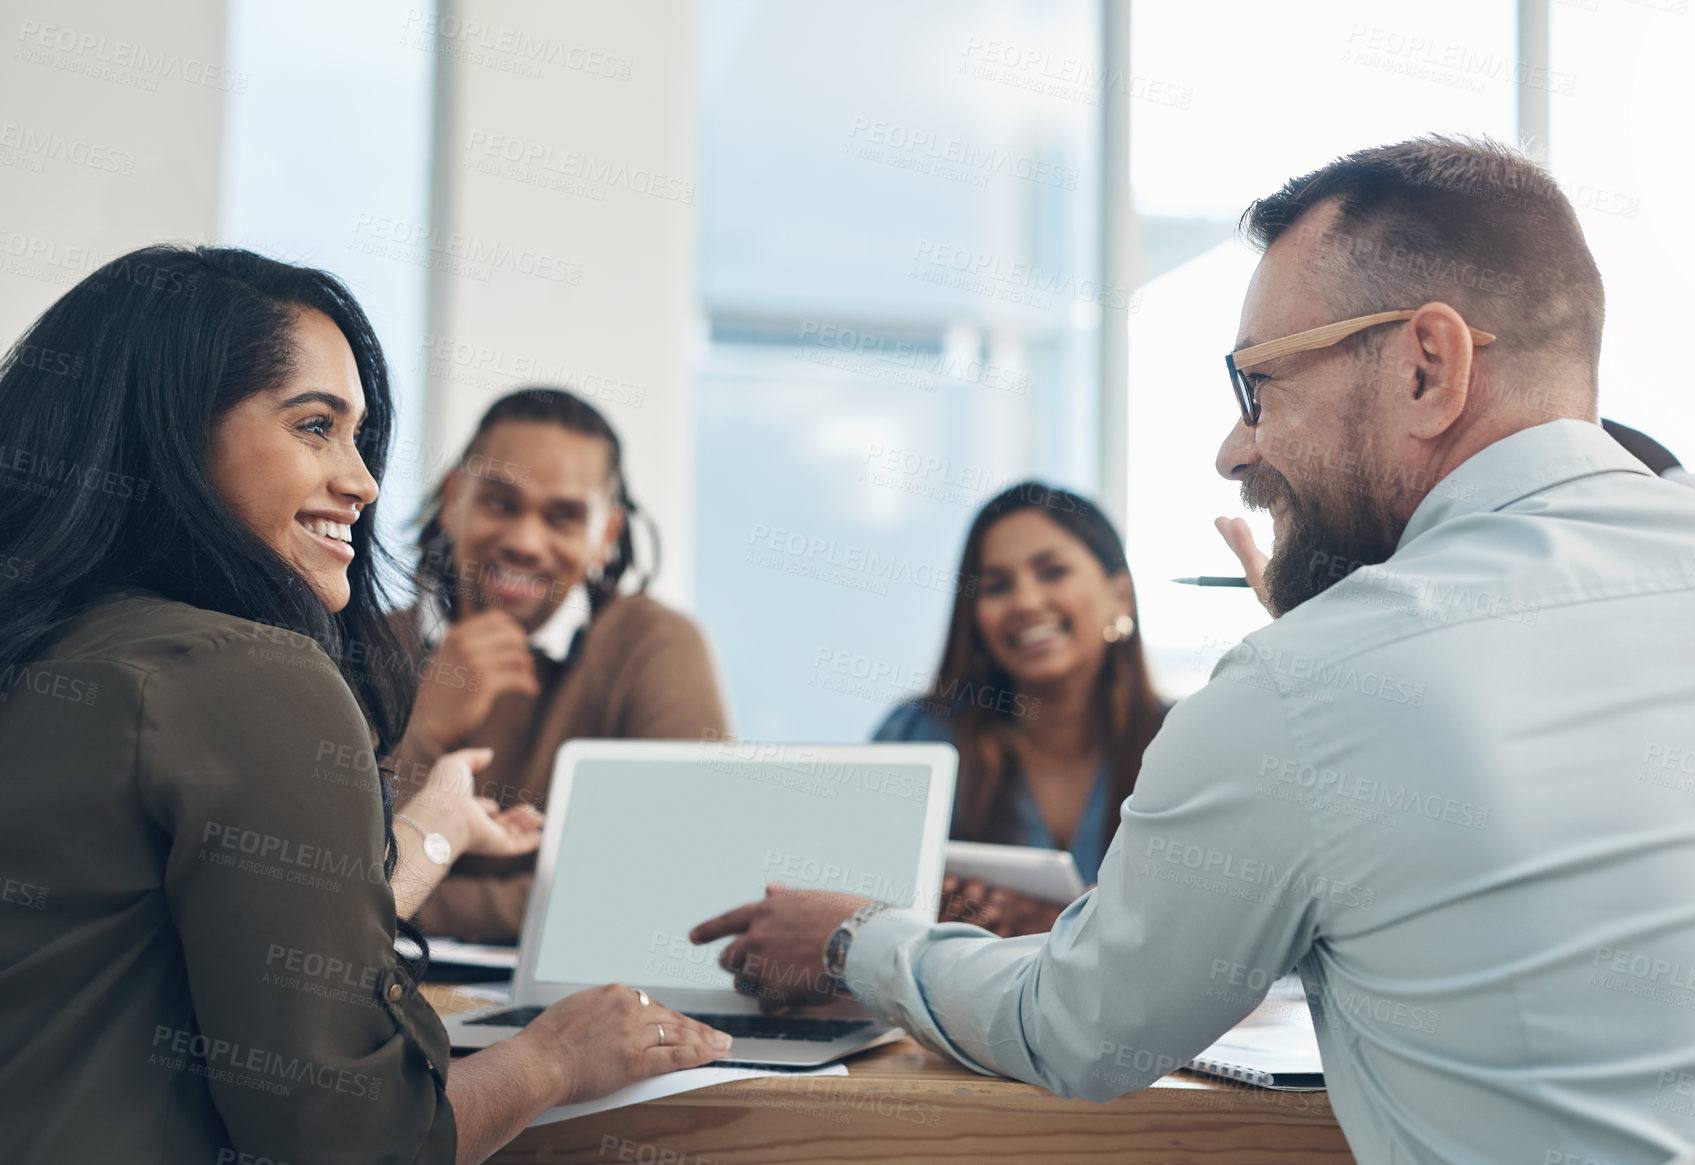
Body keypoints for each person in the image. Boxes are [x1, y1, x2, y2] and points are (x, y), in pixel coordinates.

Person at [688, 136, 1695, 1161]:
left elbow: (1078, 1025)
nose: (1236, 449)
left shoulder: (1310, 681)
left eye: (1259, 384)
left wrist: (852, 935)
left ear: (1426, 365)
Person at [0, 246, 730, 1165]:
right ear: (174, 433)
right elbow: (357, 1136)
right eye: (315, 426)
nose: (363, 480)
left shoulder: (59, 642)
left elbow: (251, 916)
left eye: (359, 435)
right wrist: (554, 1056)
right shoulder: (259, 671)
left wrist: (436, 828)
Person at [389, 387, 729, 943]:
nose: (525, 542)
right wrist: (426, 727)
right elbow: (327, 877)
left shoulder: (652, 645)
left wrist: (406, 896)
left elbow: (678, 884)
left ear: (606, 537)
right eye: (500, 503)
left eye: (565, 517)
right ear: (454, 501)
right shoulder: (363, 640)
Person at [873, 481, 1168, 936]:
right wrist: (922, 922)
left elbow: (1226, 942)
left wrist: (1063, 931)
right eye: (995, 585)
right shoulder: (917, 734)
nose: (1026, 602)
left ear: (1120, 596)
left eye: (1052, 572)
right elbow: (856, 908)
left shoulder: (1188, 744)